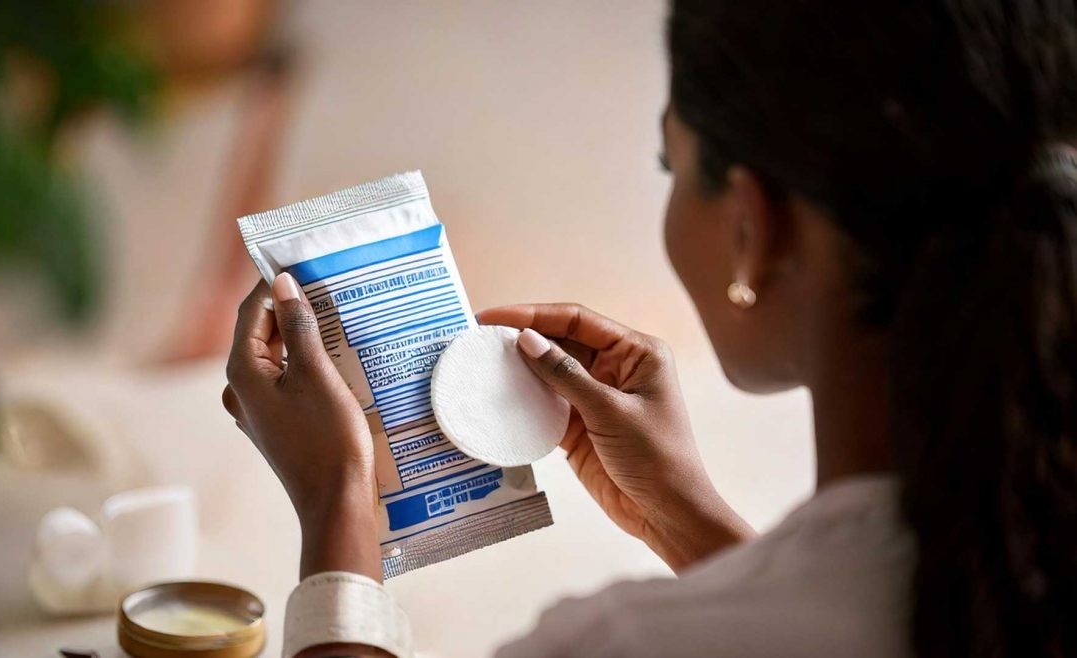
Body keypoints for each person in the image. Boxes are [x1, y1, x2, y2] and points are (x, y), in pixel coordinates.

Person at [221, 0, 1077, 656]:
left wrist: (339, 503)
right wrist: (685, 518)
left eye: (673, 163)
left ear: (753, 226)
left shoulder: (618, 644)